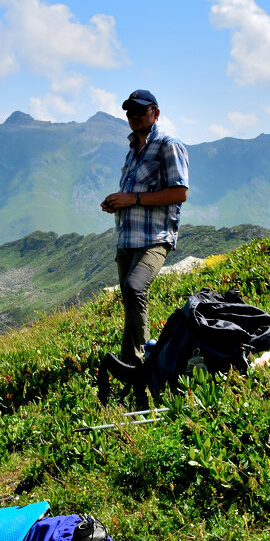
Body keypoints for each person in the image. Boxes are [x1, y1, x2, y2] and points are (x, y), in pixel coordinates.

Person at [100, 89, 189, 365]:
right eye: (129, 111)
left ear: (156, 113)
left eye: (140, 110)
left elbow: (180, 192)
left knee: (136, 288)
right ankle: (141, 358)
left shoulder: (168, 145)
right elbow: (133, 192)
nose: (133, 116)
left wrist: (133, 198)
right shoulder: (133, 150)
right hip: (127, 239)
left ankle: (137, 364)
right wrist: (117, 203)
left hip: (154, 238)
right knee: (130, 298)